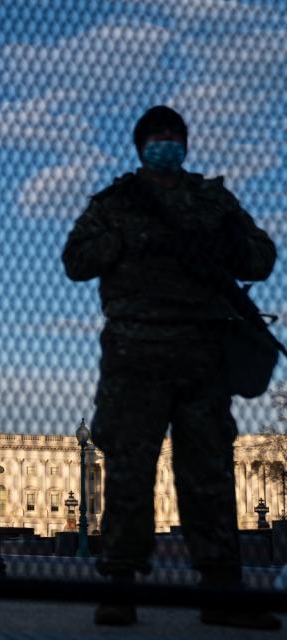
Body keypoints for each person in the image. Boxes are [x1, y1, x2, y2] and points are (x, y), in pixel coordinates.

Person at [62, 106, 281, 630]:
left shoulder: (213, 201)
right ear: (141, 146)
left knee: (208, 474)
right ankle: (119, 584)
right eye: (157, 136)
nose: (166, 142)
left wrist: (224, 243)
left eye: (173, 136)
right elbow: (76, 261)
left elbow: (262, 258)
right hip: (135, 358)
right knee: (129, 473)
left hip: (201, 357)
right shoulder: (116, 203)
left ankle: (221, 589)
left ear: (185, 143)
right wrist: (129, 240)